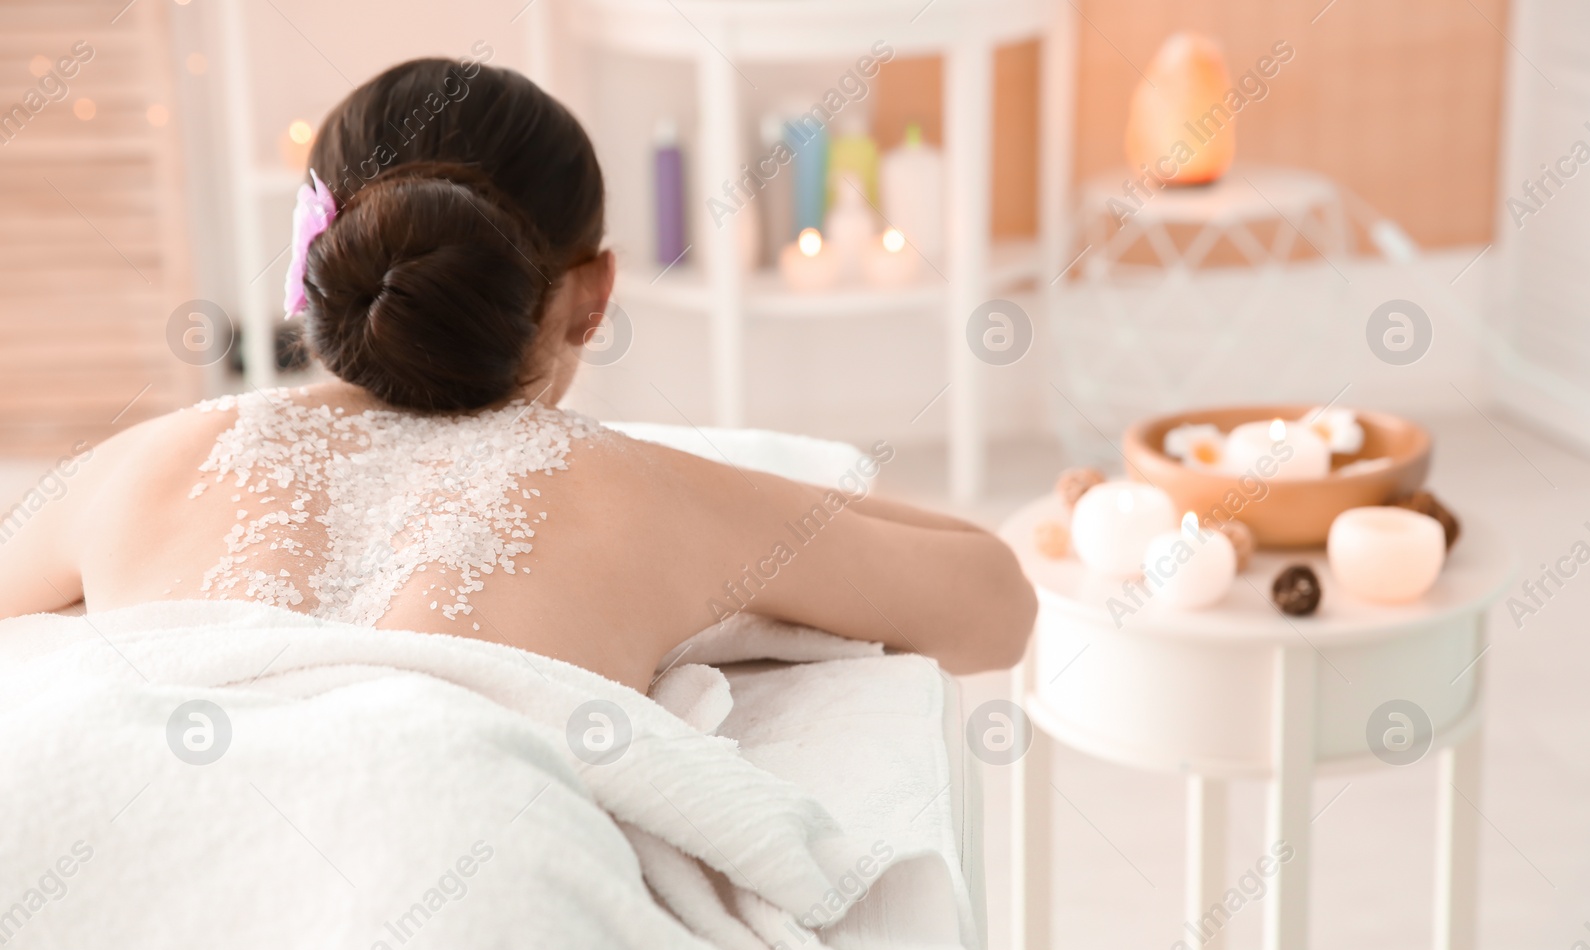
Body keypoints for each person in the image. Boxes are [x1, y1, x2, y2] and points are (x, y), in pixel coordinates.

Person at [0, 58, 1034, 692]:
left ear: (313, 262)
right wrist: (734, 492)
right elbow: (995, 601)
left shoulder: (148, 463)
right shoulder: (634, 494)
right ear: (595, 293)